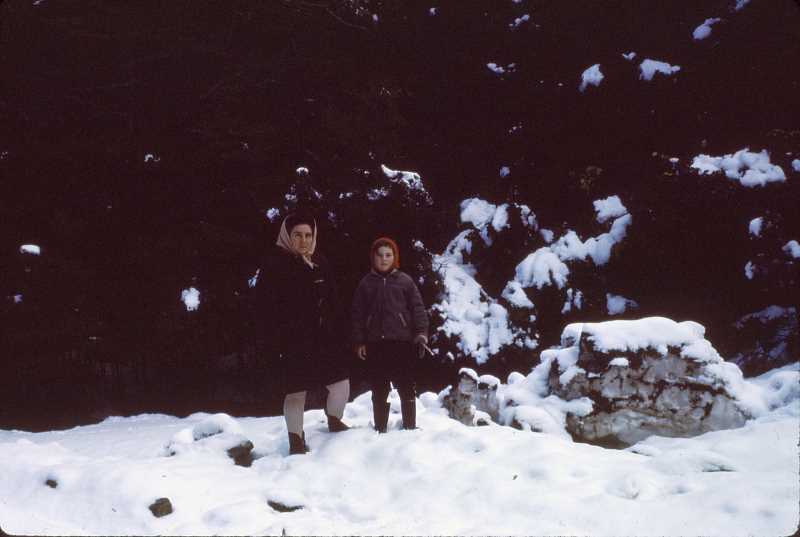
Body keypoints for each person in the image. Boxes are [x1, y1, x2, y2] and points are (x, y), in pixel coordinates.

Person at [254, 211, 351, 455]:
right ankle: (296, 440)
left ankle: (334, 420)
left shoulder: (320, 261)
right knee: (296, 393)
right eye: (297, 235)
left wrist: (338, 330)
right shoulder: (274, 265)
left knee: (341, 385)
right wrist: (272, 344)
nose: (303, 240)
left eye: (308, 235)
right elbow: (263, 310)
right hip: (292, 342)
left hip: (325, 339)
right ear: (287, 236)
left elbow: (334, 300)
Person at [351, 237, 429, 432]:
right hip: (376, 344)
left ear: (395, 257)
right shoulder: (366, 283)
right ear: (373, 257)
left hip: (402, 343)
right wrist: (360, 341)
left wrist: (421, 334)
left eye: (388, 255)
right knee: (379, 387)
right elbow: (357, 314)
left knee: (406, 385)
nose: (384, 259)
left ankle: (410, 426)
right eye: (380, 255)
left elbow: (418, 308)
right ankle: (380, 428)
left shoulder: (405, 281)